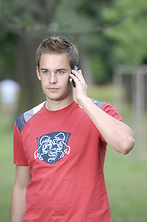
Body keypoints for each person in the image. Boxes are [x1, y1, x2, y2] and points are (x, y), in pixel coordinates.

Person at [10, 36, 135, 222]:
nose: (52, 80)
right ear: (38, 72)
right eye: (46, 71)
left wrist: (83, 100)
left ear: (74, 73)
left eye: (60, 72)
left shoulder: (97, 111)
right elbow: (21, 186)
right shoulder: (24, 122)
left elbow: (125, 144)